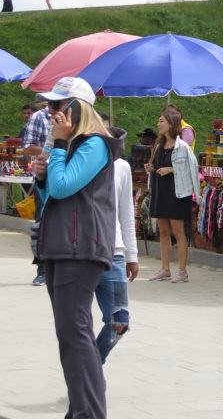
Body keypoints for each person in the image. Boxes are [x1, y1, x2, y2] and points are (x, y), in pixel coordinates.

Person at [33, 76, 119, 419]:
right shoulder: (71, 144)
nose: (50, 111)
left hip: (80, 247)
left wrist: (55, 148)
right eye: (49, 105)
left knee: (76, 333)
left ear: (76, 108)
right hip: (62, 246)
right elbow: (52, 195)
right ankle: (82, 410)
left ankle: (89, 413)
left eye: (57, 105)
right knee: (69, 334)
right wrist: (42, 177)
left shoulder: (94, 144)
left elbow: (65, 187)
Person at [96, 112, 136, 363]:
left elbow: (126, 212)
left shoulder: (121, 166)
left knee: (120, 320)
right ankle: (85, 379)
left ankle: (91, 366)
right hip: (80, 256)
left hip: (115, 256)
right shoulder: (74, 163)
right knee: (75, 326)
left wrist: (132, 255)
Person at [144, 106, 200, 283]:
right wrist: (151, 169)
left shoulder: (182, 147)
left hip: (177, 192)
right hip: (161, 190)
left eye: (161, 121)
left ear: (171, 123)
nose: (158, 124)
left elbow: (192, 170)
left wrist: (171, 169)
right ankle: (165, 269)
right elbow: (156, 166)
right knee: (163, 232)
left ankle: (182, 271)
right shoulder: (159, 146)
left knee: (178, 232)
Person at [22, 102, 54, 286]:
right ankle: (42, 268)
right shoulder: (39, 117)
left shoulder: (80, 116)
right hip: (46, 177)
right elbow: (28, 147)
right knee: (42, 222)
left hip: (72, 175)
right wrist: (54, 152)